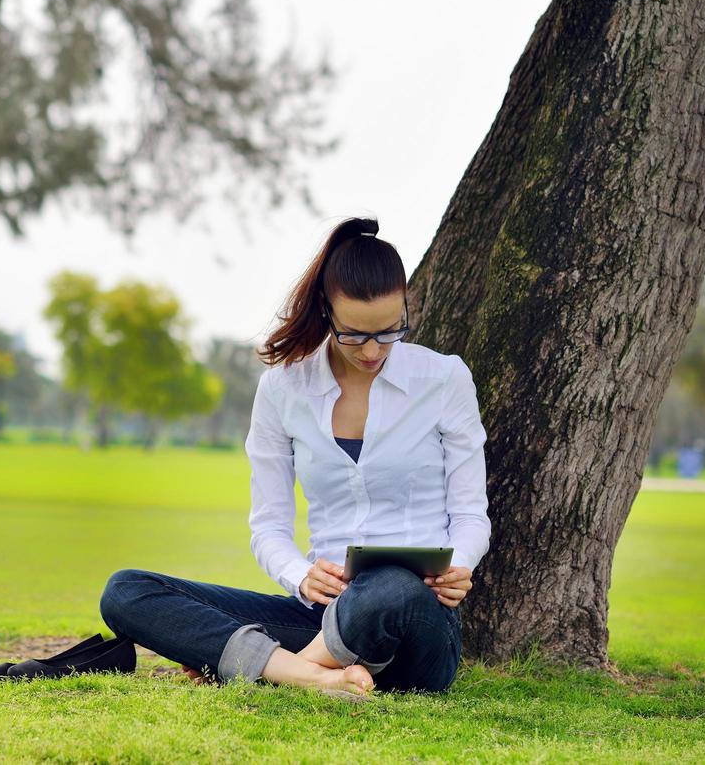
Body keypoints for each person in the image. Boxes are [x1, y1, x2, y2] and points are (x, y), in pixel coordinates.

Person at [98, 216, 490, 697]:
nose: (372, 351)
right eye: (354, 335)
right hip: (319, 615)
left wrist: (460, 566)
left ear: (406, 306)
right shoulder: (283, 389)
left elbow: (471, 514)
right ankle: (316, 676)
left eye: (389, 332)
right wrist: (301, 576)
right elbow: (268, 527)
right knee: (127, 591)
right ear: (328, 311)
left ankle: (272, 673)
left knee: (390, 587)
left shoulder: (444, 379)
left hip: (416, 625)